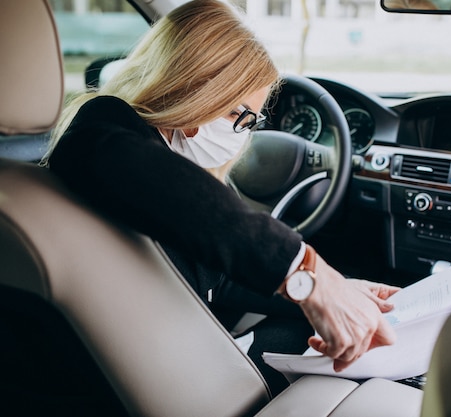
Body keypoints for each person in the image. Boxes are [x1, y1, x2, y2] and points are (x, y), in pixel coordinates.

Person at [42, 0, 399, 395]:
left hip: (176, 347)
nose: (244, 134)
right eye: (239, 115)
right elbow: (123, 162)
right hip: (165, 375)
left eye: (253, 122)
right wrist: (307, 275)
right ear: (193, 87)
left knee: (318, 330)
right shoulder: (104, 130)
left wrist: (342, 289)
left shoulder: (167, 169)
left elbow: (217, 276)